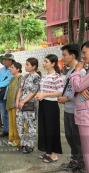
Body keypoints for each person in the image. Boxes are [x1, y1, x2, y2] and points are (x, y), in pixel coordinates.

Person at [58, 43, 86, 172]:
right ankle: (75, 160)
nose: (62, 57)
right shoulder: (70, 71)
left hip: (77, 111)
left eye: (64, 55)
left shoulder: (81, 71)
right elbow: (69, 90)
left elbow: (83, 94)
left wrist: (67, 98)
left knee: (78, 139)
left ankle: (81, 163)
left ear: (72, 55)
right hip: (68, 110)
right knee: (70, 137)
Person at [35, 54, 64, 163]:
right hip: (43, 104)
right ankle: (48, 152)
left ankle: (54, 155)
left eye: (46, 61)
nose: (44, 63)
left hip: (51, 106)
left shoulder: (57, 77)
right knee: (44, 128)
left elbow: (60, 92)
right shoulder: (44, 76)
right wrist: (39, 94)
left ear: (53, 63)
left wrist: (45, 95)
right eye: (44, 61)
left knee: (52, 129)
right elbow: (42, 90)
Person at [70, 41, 89, 172]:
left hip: (86, 115)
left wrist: (76, 71)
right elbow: (80, 87)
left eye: (85, 52)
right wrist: (80, 88)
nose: (83, 56)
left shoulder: (81, 70)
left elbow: (77, 86)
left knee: (87, 149)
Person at [16, 58, 41, 153]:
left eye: (28, 65)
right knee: (19, 123)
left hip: (30, 104)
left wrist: (23, 101)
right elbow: (20, 89)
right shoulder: (25, 76)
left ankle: (30, 144)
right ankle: (23, 143)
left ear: (34, 66)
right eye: (25, 64)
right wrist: (17, 100)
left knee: (31, 125)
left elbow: (33, 92)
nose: (25, 66)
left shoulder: (36, 77)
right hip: (21, 104)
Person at [0, 54, 15, 137]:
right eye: (3, 59)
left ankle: (12, 131)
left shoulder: (13, 69)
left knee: (11, 114)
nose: (4, 61)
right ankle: (6, 130)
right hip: (1, 94)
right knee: (3, 113)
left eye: (6, 60)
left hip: (9, 95)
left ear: (11, 61)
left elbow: (8, 81)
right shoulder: (1, 70)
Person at [6, 62, 22, 147]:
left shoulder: (21, 78)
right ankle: (11, 138)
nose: (11, 69)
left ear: (18, 69)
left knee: (17, 122)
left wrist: (18, 101)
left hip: (16, 103)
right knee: (11, 122)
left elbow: (20, 90)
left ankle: (17, 141)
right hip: (10, 102)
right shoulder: (12, 79)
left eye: (12, 67)